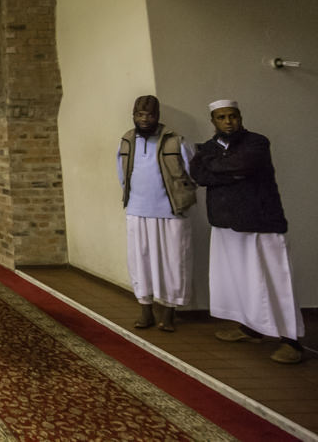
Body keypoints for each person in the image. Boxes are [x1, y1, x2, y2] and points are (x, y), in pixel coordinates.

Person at [189, 99, 305, 364]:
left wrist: (219, 168)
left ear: (240, 117)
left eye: (232, 116)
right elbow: (199, 175)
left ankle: (291, 341)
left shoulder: (256, 143)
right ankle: (251, 328)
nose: (228, 121)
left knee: (275, 279)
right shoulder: (207, 147)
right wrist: (228, 172)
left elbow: (242, 166)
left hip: (260, 222)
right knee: (240, 278)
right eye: (221, 117)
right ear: (213, 121)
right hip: (226, 223)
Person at [116, 95, 197, 332]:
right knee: (140, 261)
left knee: (174, 261)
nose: (144, 119)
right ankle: (146, 310)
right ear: (133, 115)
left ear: (158, 116)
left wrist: (181, 199)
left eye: (150, 115)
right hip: (137, 211)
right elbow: (122, 176)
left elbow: (192, 173)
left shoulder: (176, 141)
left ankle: (169, 313)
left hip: (171, 213)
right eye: (140, 114)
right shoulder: (126, 141)